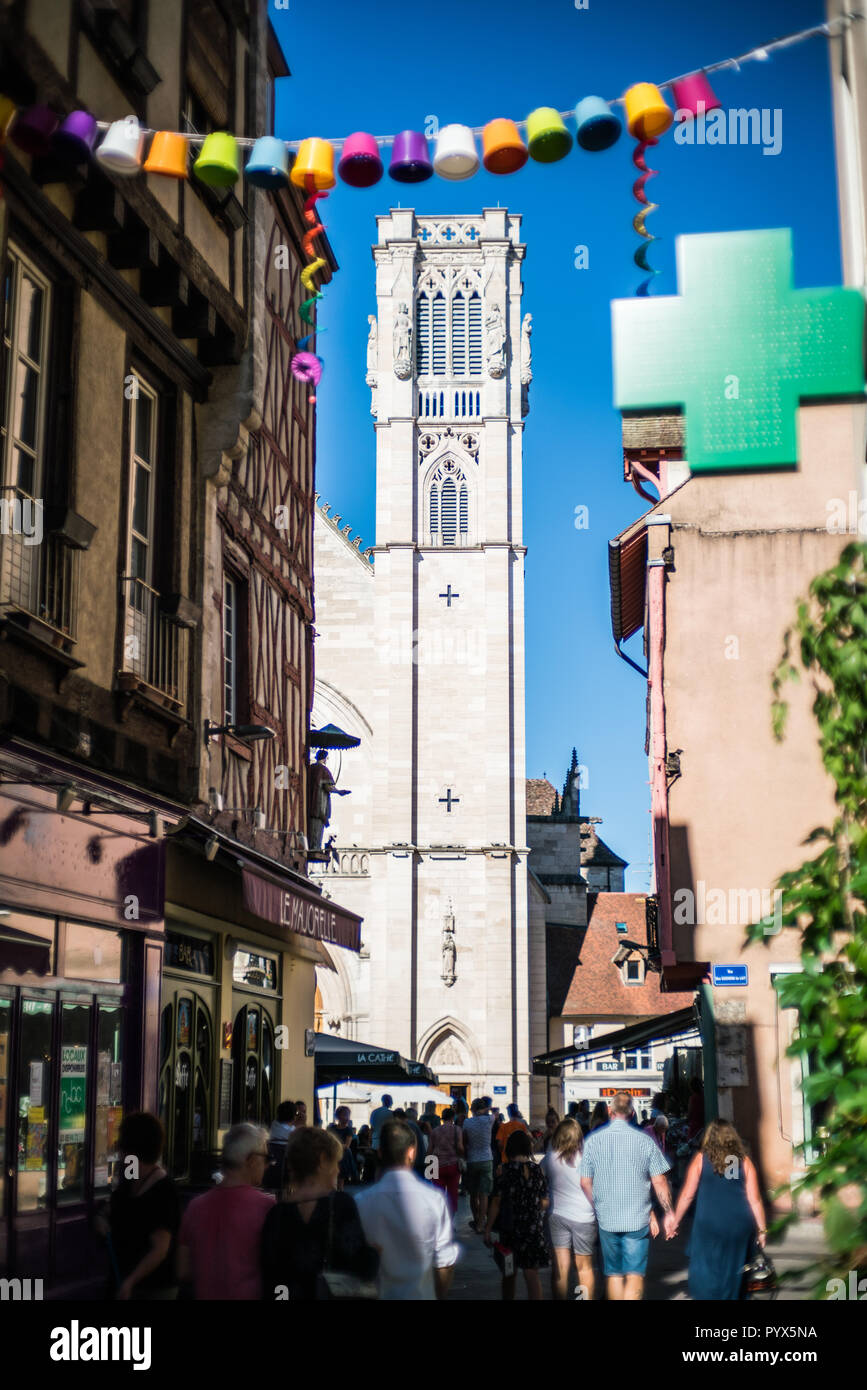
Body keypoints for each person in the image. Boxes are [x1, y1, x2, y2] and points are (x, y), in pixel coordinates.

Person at [261, 1126, 378, 1301]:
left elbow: (273, 1277)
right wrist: (374, 1254)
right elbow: (360, 1265)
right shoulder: (341, 1204)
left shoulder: (276, 1214)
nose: (338, 1170)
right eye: (337, 1163)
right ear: (323, 1160)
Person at [580, 1091, 675, 1302]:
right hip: (637, 1217)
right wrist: (668, 1213)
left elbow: (585, 1182)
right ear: (632, 1113)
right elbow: (660, 1181)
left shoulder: (593, 1141)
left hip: (607, 1217)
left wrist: (597, 1204)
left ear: (609, 1111)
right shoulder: (645, 1141)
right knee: (634, 1274)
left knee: (613, 1274)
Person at [354, 1119, 460, 1300]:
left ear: (379, 1152)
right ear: (411, 1152)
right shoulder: (434, 1199)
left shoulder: (360, 1201)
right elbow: (444, 1263)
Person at [670, 1120, 768, 1300]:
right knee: (735, 1267)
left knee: (706, 1267)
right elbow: (755, 1200)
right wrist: (762, 1230)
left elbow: (687, 1195)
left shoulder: (701, 1159)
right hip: (739, 1224)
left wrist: (675, 1221)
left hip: (709, 1222)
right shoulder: (744, 1161)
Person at [178, 1124, 274, 1299]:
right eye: (266, 1158)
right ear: (251, 1160)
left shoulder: (195, 1207)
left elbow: (183, 1270)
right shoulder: (268, 1207)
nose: (267, 1165)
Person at [109, 1112, 180, 1301]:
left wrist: (130, 1281)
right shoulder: (132, 1176)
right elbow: (122, 1202)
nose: (119, 1151)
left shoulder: (163, 1191)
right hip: (129, 1285)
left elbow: (160, 1248)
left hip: (154, 1289)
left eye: (121, 1145)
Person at [485, 1129, 549, 1301]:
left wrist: (487, 1228)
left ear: (509, 1149)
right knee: (532, 1275)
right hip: (533, 1228)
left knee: (509, 1273)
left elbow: (496, 1202)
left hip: (510, 1228)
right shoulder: (537, 1171)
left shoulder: (503, 1171)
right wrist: (533, 1210)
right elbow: (545, 1201)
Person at [544, 1118, 597, 1301]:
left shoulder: (550, 1158)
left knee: (560, 1268)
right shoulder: (588, 1158)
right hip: (585, 1217)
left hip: (557, 1215)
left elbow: (539, 1177)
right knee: (585, 1268)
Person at [462, 1097, 495, 1234]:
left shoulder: (467, 1122)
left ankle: (476, 1219)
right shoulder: (489, 1120)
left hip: (472, 1160)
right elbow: (494, 1113)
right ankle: (481, 1223)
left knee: (473, 1194)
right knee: (484, 1194)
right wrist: (486, 1109)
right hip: (486, 1159)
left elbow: (464, 1140)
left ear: (472, 1109)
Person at [428, 1106, 464, 1217]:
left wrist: (428, 1166)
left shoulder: (435, 1131)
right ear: (453, 1117)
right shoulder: (457, 1130)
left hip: (436, 1165)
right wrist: (462, 1155)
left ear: (442, 1118)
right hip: (453, 1165)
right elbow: (460, 1147)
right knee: (453, 1194)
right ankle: (450, 1222)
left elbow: (430, 1149)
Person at [328, 1106, 359, 1187]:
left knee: (340, 1178)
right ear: (338, 1116)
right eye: (345, 1114)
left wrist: (334, 1145)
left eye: (348, 1115)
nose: (347, 1117)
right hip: (333, 1154)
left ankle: (340, 1192)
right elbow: (327, 1142)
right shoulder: (332, 1128)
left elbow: (346, 1145)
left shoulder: (349, 1130)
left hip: (342, 1155)